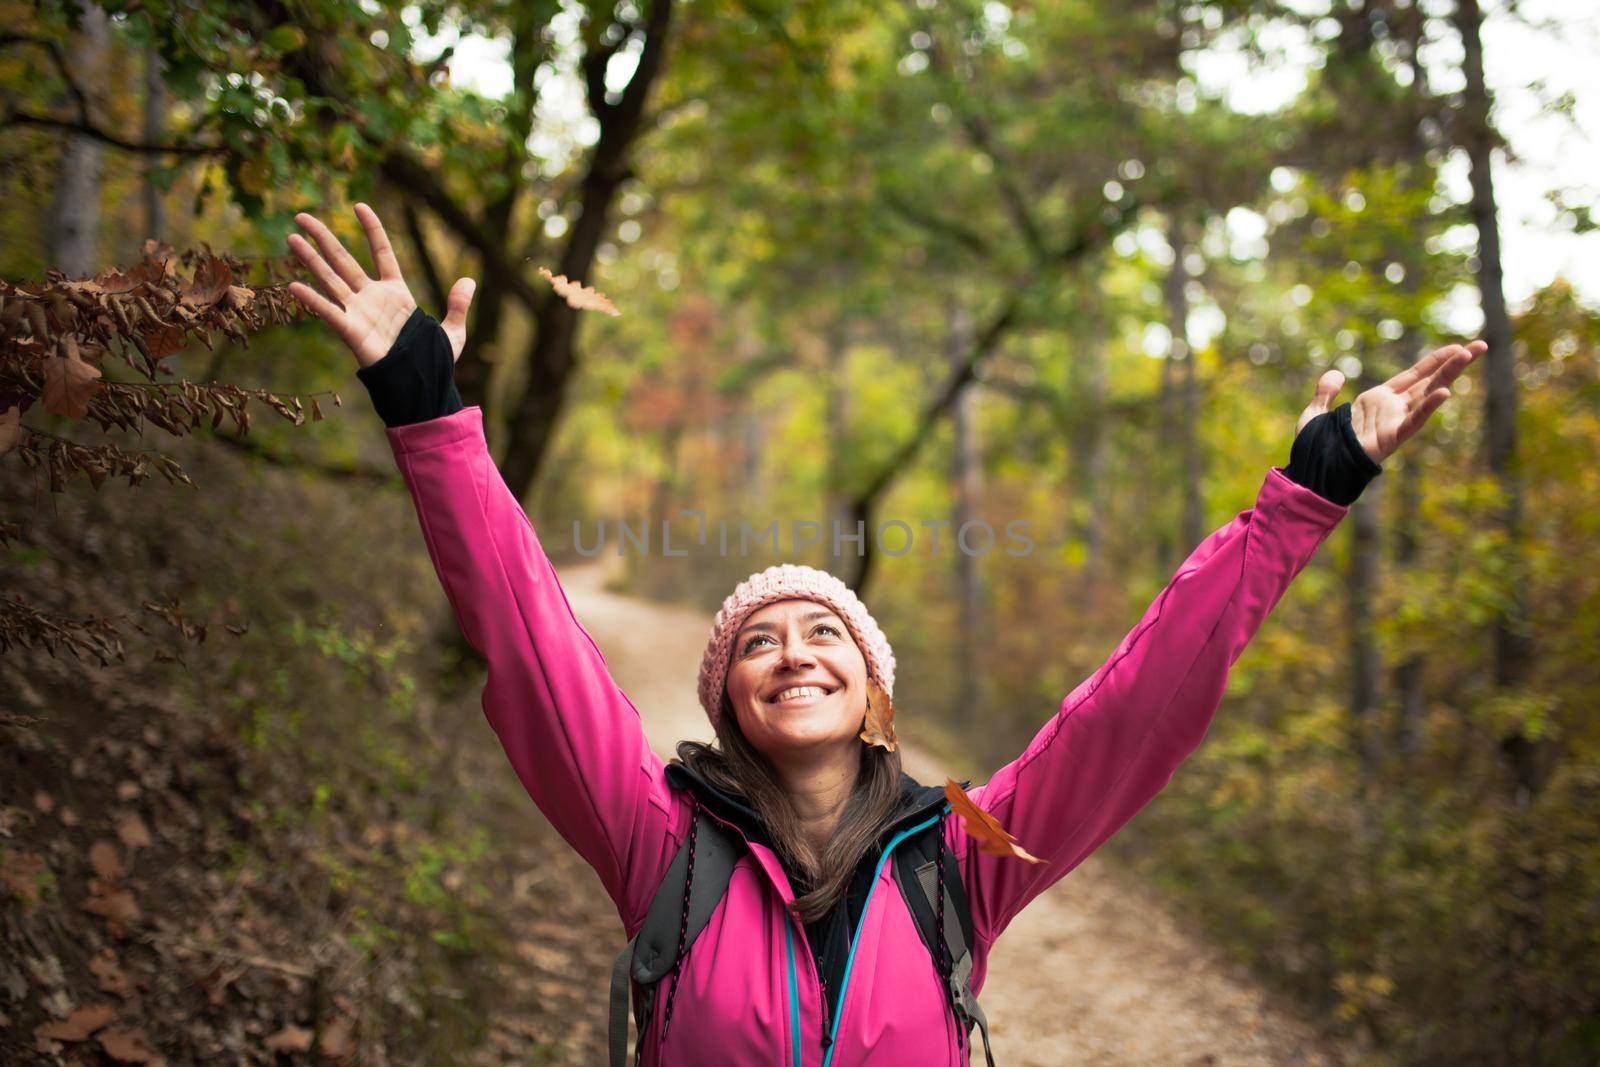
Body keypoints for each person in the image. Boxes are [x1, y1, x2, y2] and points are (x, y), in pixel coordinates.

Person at [286, 204, 1482, 1066]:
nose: (794, 650)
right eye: (759, 641)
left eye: (825, 632)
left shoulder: (961, 859)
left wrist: (1302, 498)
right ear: (729, 700)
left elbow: (1134, 706)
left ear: (871, 689)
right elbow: (531, 643)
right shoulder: (661, 845)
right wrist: (431, 417)